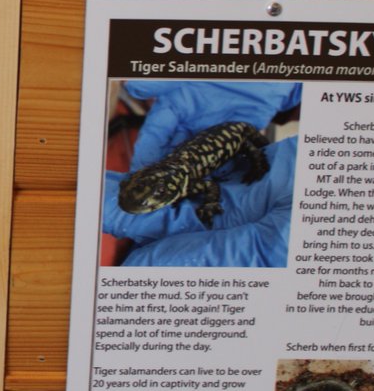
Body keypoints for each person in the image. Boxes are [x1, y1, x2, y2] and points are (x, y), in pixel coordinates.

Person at [103, 81, 301, 268]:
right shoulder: (178, 178)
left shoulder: (186, 181)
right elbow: (206, 185)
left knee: (253, 152)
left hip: (239, 134)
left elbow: (209, 186)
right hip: (222, 131)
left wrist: (212, 203)